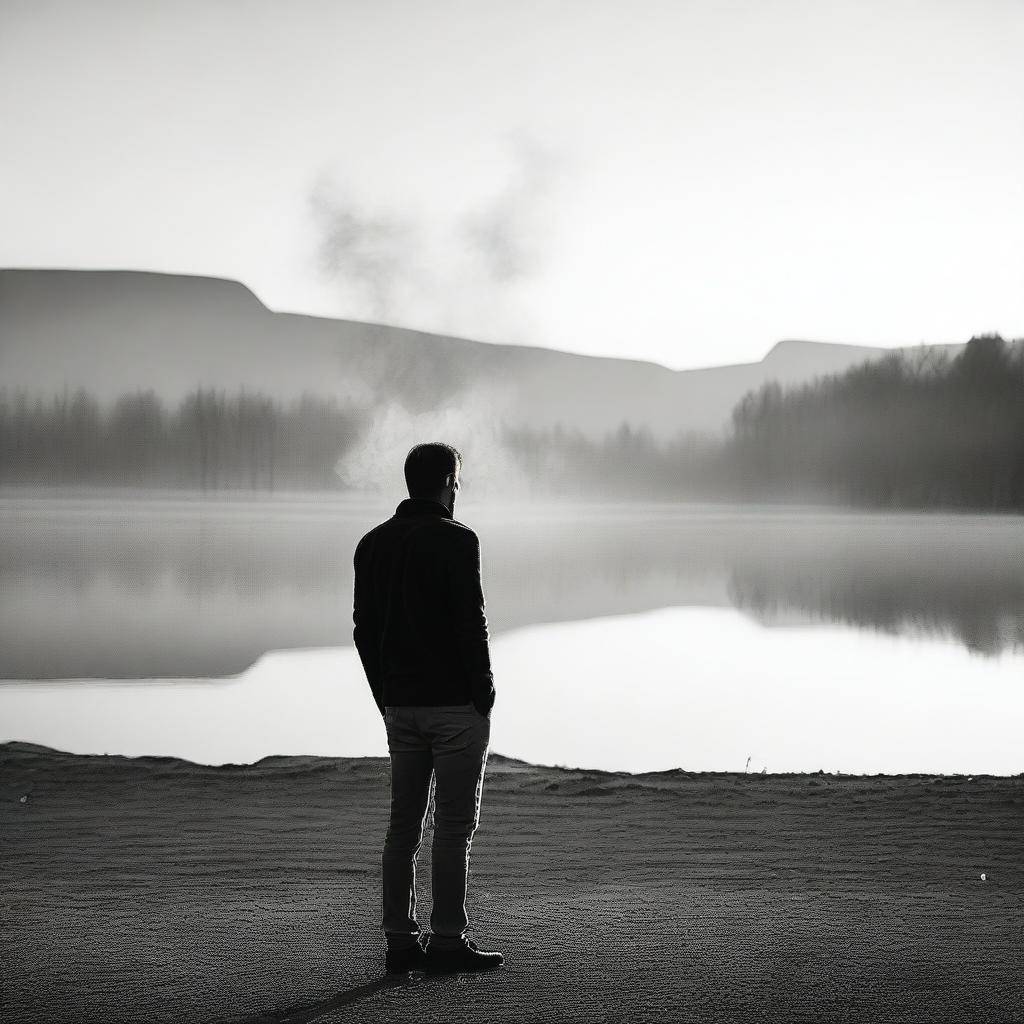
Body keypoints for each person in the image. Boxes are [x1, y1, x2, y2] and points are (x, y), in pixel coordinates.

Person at [352, 441, 503, 975]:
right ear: (444, 482)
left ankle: (399, 942)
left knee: (403, 825)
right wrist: (483, 692)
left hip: (401, 705)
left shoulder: (372, 544)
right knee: (454, 826)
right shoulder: (458, 541)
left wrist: (383, 694)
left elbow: (363, 632)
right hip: (454, 707)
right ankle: (445, 940)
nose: (457, 489)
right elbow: (471, 623)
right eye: (456, 480)